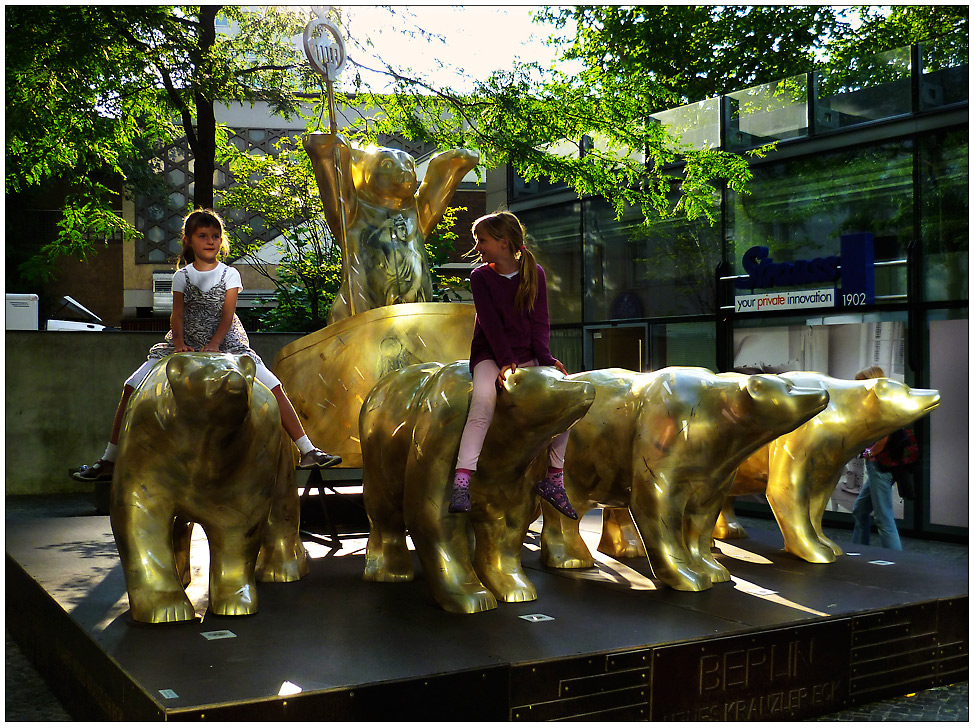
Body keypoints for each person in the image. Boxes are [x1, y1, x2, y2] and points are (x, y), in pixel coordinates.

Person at [71, 208, 340, 482]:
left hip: (229, 342)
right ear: (189, 240)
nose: (210, 241)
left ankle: (307, 449)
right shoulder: (181, 277)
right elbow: (177, 314)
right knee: (131, 385)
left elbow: (227, 315)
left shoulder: (230, 274)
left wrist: (214, 344)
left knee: (273, 385)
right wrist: (179, 344)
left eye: (215, 235)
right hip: (186, 340)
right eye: (203, 236)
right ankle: (109, 458)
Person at [447, 211, 579, 519]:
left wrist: (545, 361)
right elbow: (490, 325)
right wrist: (505, 363)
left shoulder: (536, 274)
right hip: (491, 355)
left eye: (483, 240)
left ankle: (554, 479)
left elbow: (540, 322)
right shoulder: (480, 277)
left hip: (526, 354)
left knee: (564, 403)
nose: (477, 246)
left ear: (503, 242)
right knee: (482, 404)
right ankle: (462, 481)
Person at [851, 365, 902, 550]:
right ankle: (858, 550)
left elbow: (884, 436)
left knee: (883, 519)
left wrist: (870, 453)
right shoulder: (882, 401)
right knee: (860, 510)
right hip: (879, 466)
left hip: (879, 466)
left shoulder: (881, 403)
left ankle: (896, 560)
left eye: (860, 383)